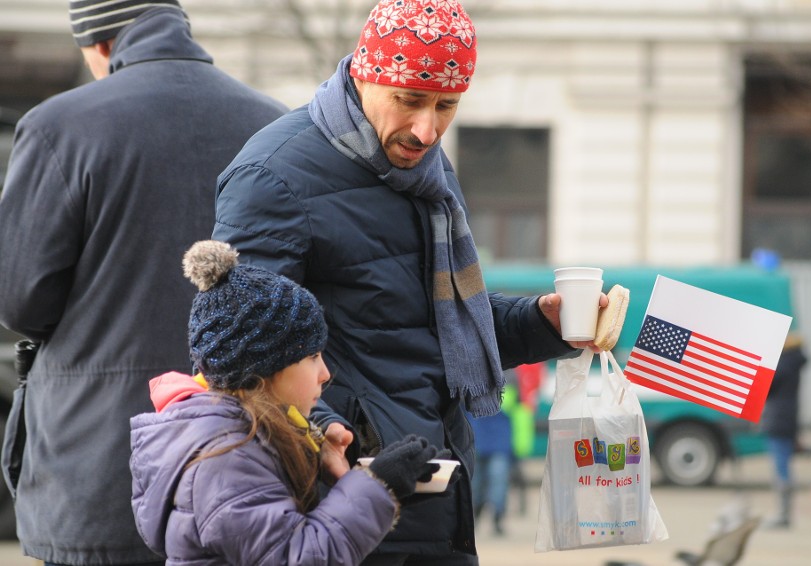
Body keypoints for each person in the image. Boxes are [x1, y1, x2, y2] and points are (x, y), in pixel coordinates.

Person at [212, 0, 606, 563]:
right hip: (344, 495)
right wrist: (323, 428)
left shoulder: (425, 168)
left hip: (438, 482)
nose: (427, 128)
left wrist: (541, 324)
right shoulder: (273, 177)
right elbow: (239, 351)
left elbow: (436, 322)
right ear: (364, 73)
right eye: (410, 99)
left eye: (447, 105)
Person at [0, 2, 286, 564]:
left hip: (97, 467)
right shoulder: (272, 125)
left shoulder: (59, 126)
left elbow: (17, 299)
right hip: (242, 459)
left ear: (99, 43)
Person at [129, 240, 443, 565]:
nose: (325, 373)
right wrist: (376, 488)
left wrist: (359, 478)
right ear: (263, 368)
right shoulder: (226, 457)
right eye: (312, 356)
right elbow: (297, 556)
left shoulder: (237, 441)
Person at [759, 332, 808, 529]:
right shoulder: (793, 362)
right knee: (783, 465)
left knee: (781, 467)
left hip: (779, 419)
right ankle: (783, 512)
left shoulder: (784, 364)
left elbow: (766, 386)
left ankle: (783, 513)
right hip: (787, 418)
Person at [468, 371, 517, 537]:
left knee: (498, 482)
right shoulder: (467, 369)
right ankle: (475, 517)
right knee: (476, 484)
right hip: (476, 438)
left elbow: (514, 405)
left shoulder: (511, 373)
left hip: (498, 441)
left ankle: (497, 518)